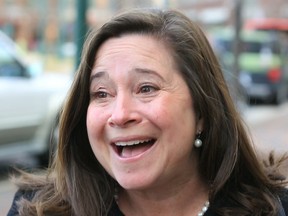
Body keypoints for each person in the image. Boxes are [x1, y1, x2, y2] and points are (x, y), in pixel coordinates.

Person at [7, 8, 288, 216]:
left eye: (146, 88)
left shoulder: (274, 208)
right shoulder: (35, 209)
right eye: (102, 94)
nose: (120, 114)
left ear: (202, 111)